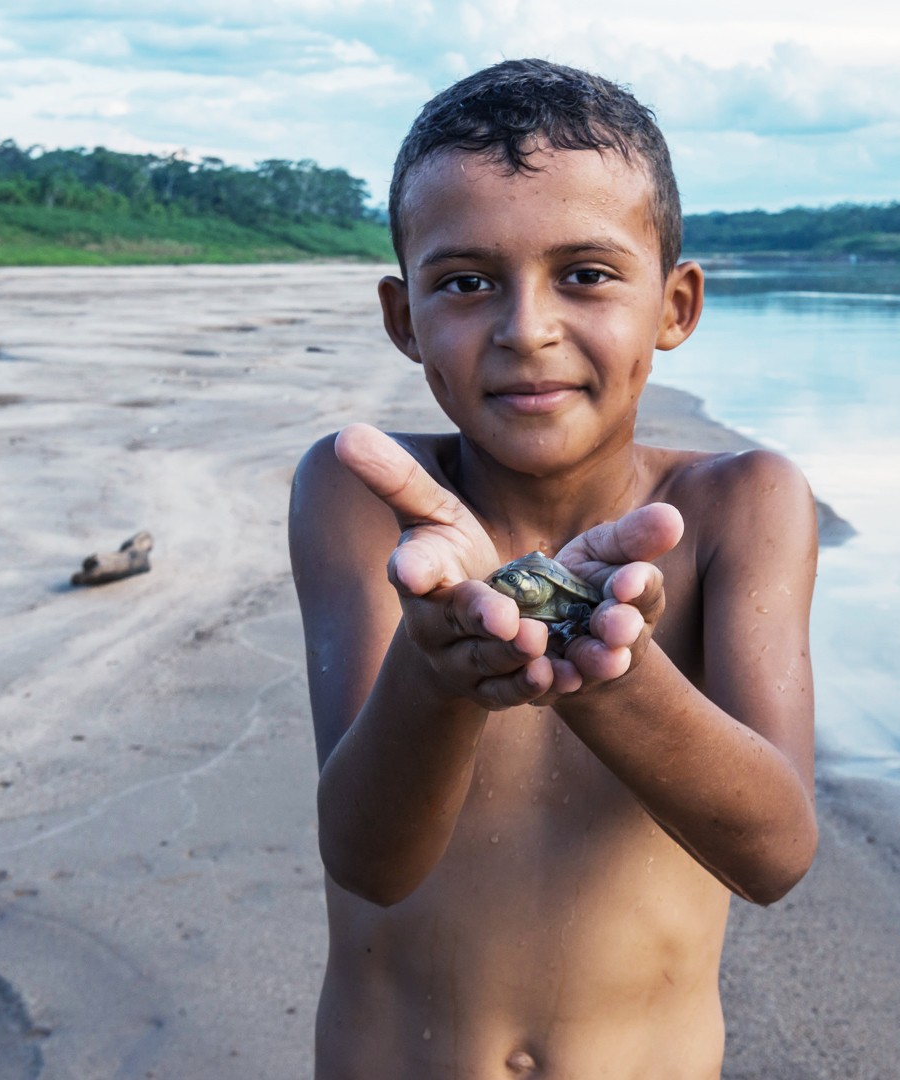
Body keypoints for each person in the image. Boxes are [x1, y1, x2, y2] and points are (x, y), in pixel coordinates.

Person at [288, 58, 819, 1078]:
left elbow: (774, 854)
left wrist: (611, 676)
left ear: (675, 305)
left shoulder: (737, 506)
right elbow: (368, 859)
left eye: (584, 273)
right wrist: (436, 676)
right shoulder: (368, 496)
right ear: (405, 319)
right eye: (467, 281)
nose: (526, 328)